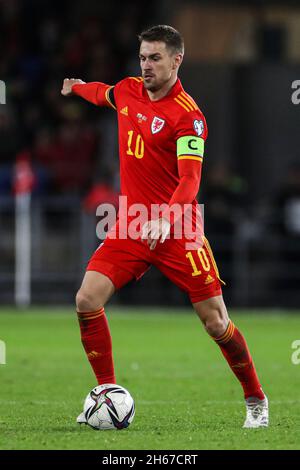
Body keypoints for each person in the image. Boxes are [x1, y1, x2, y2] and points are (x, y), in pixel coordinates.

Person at [61, 25, 268, 428]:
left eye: (155, 58)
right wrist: (79, 86)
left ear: (177, 60)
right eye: (142, 57)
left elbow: (190, 182)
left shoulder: (189, 118)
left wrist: (167, 217)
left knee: (216, 323)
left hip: (180, 230)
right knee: (87, 300)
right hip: (132, 226)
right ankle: (107, 393)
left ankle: (256, 399)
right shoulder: (128, 90)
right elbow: (102, 93)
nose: (146, 66)